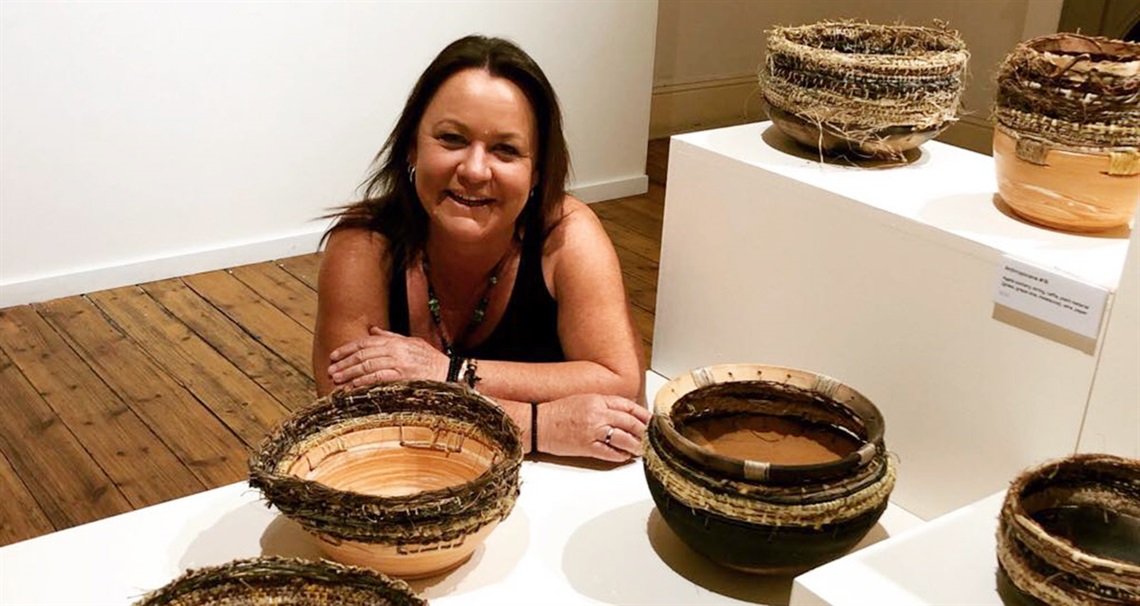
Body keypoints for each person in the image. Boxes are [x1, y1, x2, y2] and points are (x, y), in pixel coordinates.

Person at [313, 35, 649, 463]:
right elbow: (353, 413)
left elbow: (620, 383)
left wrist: (447, 374)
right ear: (412, 146)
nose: (474, 170)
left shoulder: (566, 233)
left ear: (537, 171)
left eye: (505, 150)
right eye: (452, 139)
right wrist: (536, 425)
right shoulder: (363, 243)